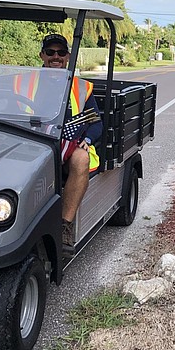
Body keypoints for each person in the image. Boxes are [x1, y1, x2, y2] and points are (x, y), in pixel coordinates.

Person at [36, 34, 102, 246]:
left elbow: (96, 122)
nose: (56, 57)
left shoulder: (81, 87)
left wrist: (88, 139)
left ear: (68, 57)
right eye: (51, 52)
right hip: (35, 141)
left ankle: (65, 225)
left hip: (68, 146)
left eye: (61, 53)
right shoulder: (26, 82)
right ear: (42, 55)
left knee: (82, 158)